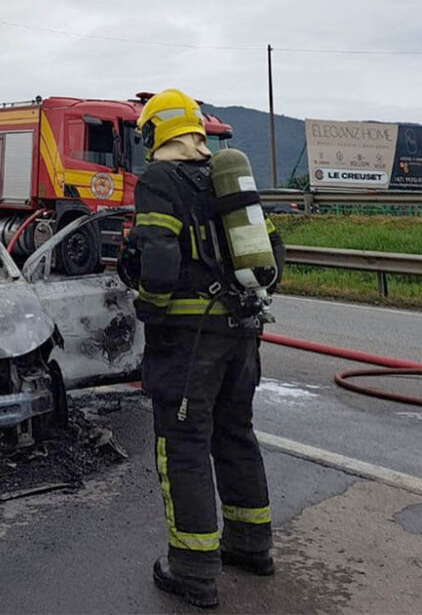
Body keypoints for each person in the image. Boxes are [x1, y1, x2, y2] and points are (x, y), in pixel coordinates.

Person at [130, 89, 285, 609]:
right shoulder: (228, 182)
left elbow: (157, 262)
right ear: (195, 131)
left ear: (154, 134)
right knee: (235, 432)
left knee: (183, 443)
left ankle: (192, 568)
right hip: (243, 334)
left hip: (189, 342)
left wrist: (146, 309)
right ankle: (250, 544)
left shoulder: (158, 180)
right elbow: (273, 255)